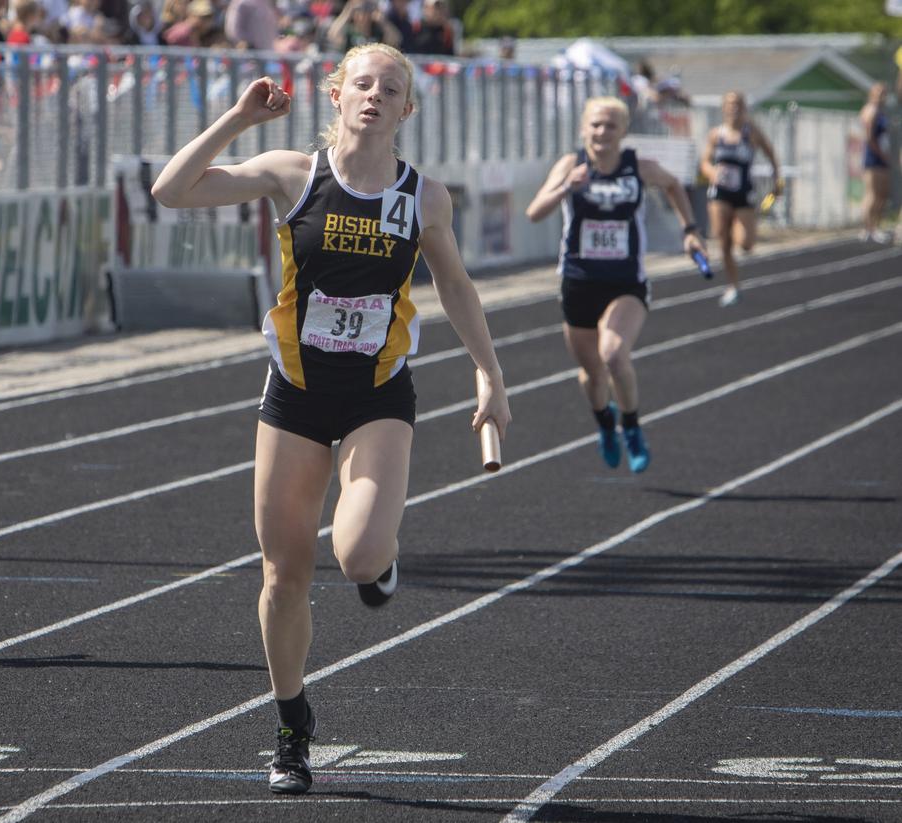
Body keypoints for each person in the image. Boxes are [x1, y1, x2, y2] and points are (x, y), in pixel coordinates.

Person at [151, 42, 510, 795]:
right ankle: (292, 725)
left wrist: (489, 373)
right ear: (337, 94)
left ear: (407, 108)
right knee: (284, 576)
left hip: (378, 392)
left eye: (391, 88)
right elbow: (170, 190)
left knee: (357, 556)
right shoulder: (294, 174)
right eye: (363, 84)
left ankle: (380, 562)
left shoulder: (425, 198)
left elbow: (455, 285)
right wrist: (238, 119)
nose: (376, 96)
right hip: (296, 393)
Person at [526, 96, 705, 474]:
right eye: (595, 124)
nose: (602, 132)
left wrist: (689, 230)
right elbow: (534, 212)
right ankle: (605, 424)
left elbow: (674, 185)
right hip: (578, 282)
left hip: (625, 282)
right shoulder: (570, 165)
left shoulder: (638, 167)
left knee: (613, 354)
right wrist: (566, 187)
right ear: (583, 129)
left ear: (623, 131)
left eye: (610, 125)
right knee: (592, 375)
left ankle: (632, 426)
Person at [699, 91, 781, 307]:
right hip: (720, 193)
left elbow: (771, 153)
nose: (733, 107)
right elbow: (705, 162)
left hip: (744, 192)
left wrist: (777, 180)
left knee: (745, 244)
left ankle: (741, 224)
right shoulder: (716, 134)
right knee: (723, 241)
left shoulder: (751, 132)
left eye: (737, 104)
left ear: (743, 107)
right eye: (729, 104)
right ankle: (733, 286)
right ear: (723, 108)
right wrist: (712, 173)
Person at [859, 83, 892, 245]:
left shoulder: (881, 112)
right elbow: (869, 137)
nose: (882, 97)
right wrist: (881, 154)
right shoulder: (870, 111)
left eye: (884, 94)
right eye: (879, 93)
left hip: (883, 157)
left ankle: (876, 225)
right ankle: (868, 228)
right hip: (873, 158)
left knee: (882, 194)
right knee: (872, 194)